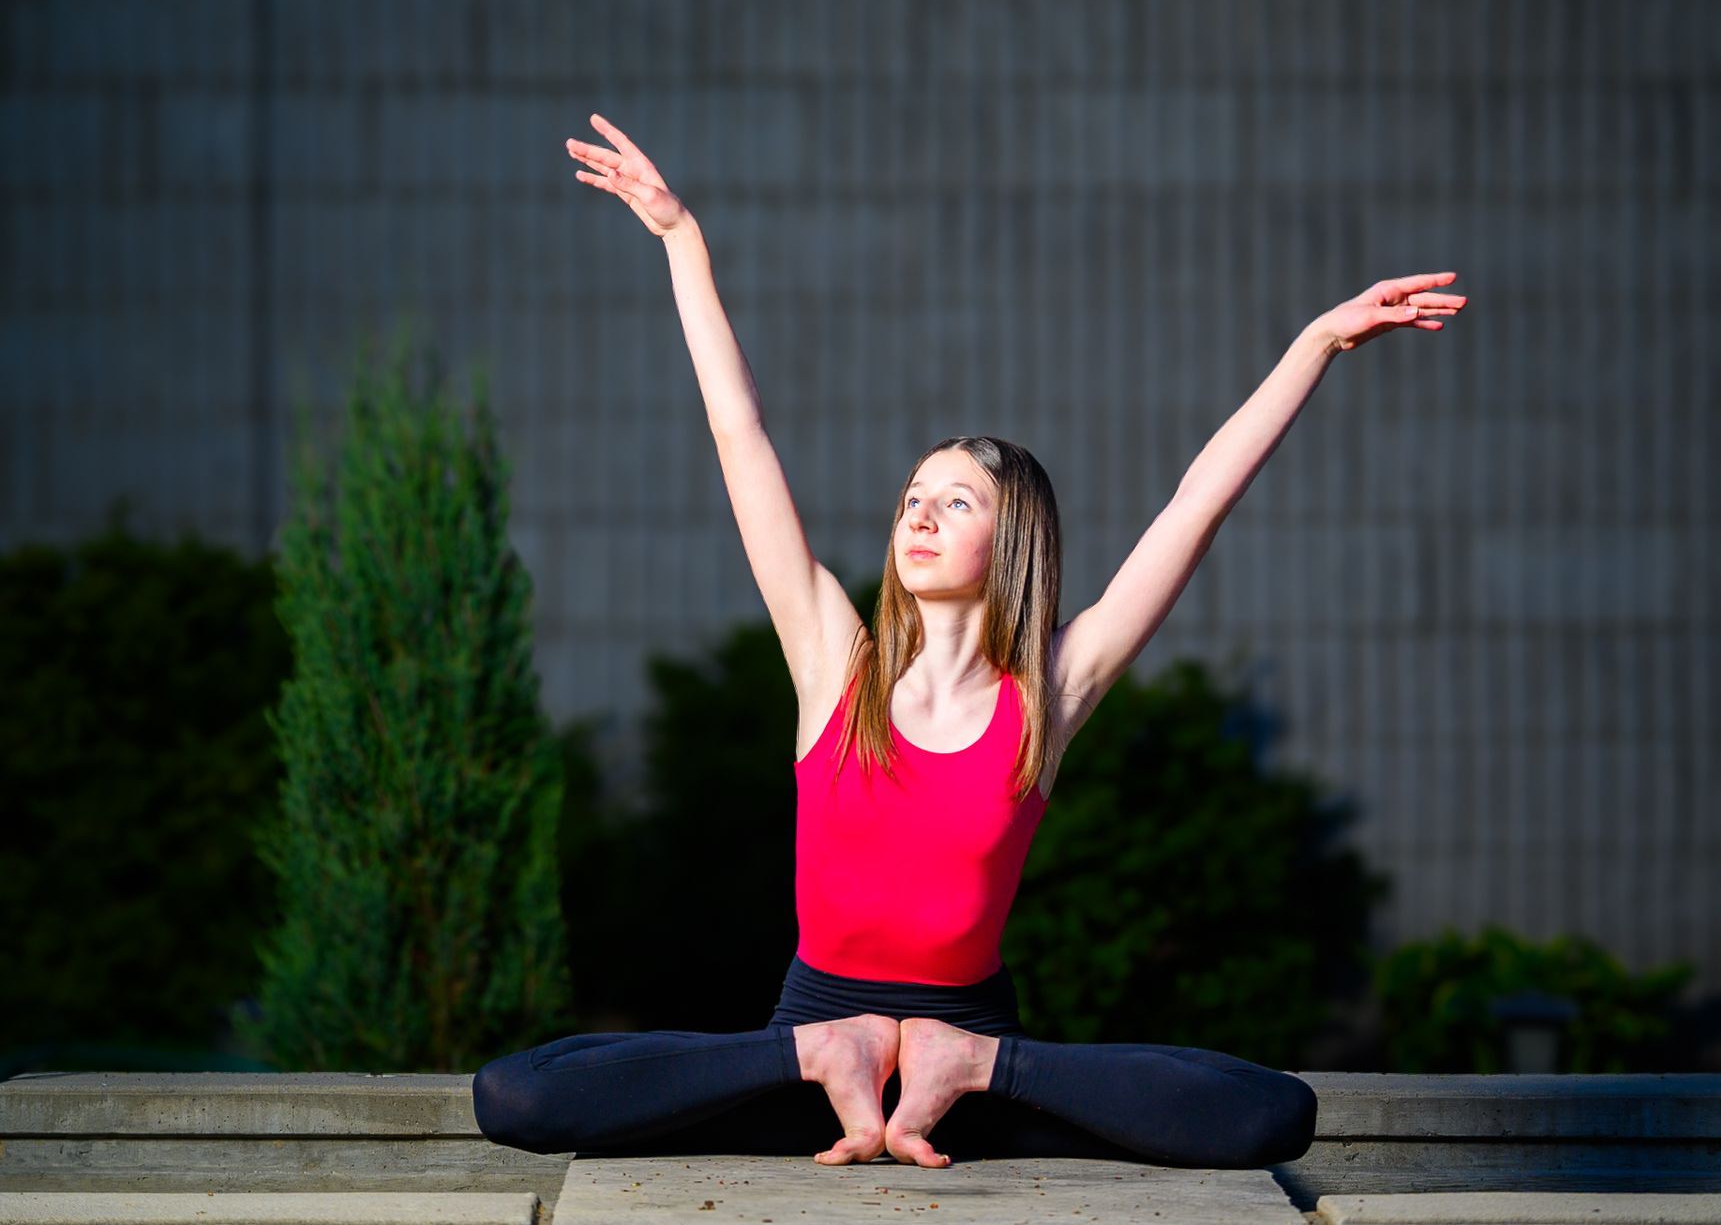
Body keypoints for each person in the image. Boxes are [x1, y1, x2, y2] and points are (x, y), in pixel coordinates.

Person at [471, 113, 1466, 1169]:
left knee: (1273, 1116)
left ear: (1014, 542)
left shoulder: (1049, 690)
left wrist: (1316, 342)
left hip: (977, 1061)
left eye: (956, 499)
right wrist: (683, 242)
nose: (920, 513)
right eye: (913, 496)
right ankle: (827, 1049)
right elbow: (740, 432)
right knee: (516, 1097)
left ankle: (964, 1063)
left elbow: (1191, 508)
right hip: (809, 1052)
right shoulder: (832, 662)